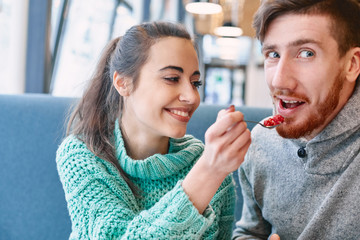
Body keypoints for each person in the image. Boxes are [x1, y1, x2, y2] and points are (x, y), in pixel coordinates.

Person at [56, 21, 251, 239]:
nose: (191, 96)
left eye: (195, 83)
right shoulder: (83, 155)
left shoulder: (212, 166)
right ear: (122, 83)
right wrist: (208, 172)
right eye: (172, 79)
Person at [232, 0, 360, 239]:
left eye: (306, 53)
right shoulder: (259, 141)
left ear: (351, 64)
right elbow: (251, 232)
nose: (279, 81)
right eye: (273, 54)